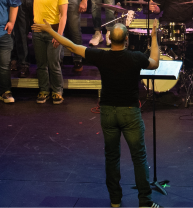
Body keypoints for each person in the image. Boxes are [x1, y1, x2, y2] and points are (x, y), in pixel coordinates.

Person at [34, 18, 159, 208]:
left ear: (109, 38)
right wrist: (154, 36)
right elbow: (155, 62)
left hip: (108, 113)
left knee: (111, 157)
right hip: (130, 113)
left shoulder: (101, 56)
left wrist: (50, 31)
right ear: (126, 40)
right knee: (139, 157)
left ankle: (115, 200)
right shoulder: (136, 57)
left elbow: (72, 46)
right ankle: (145, 202)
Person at [4, 0, 68, 105]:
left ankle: (57, 91)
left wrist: (58, 35)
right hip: (38, 31)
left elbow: (63, 15)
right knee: (41, 64)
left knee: (54, 63)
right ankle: (44, 90)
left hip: (53, 30)